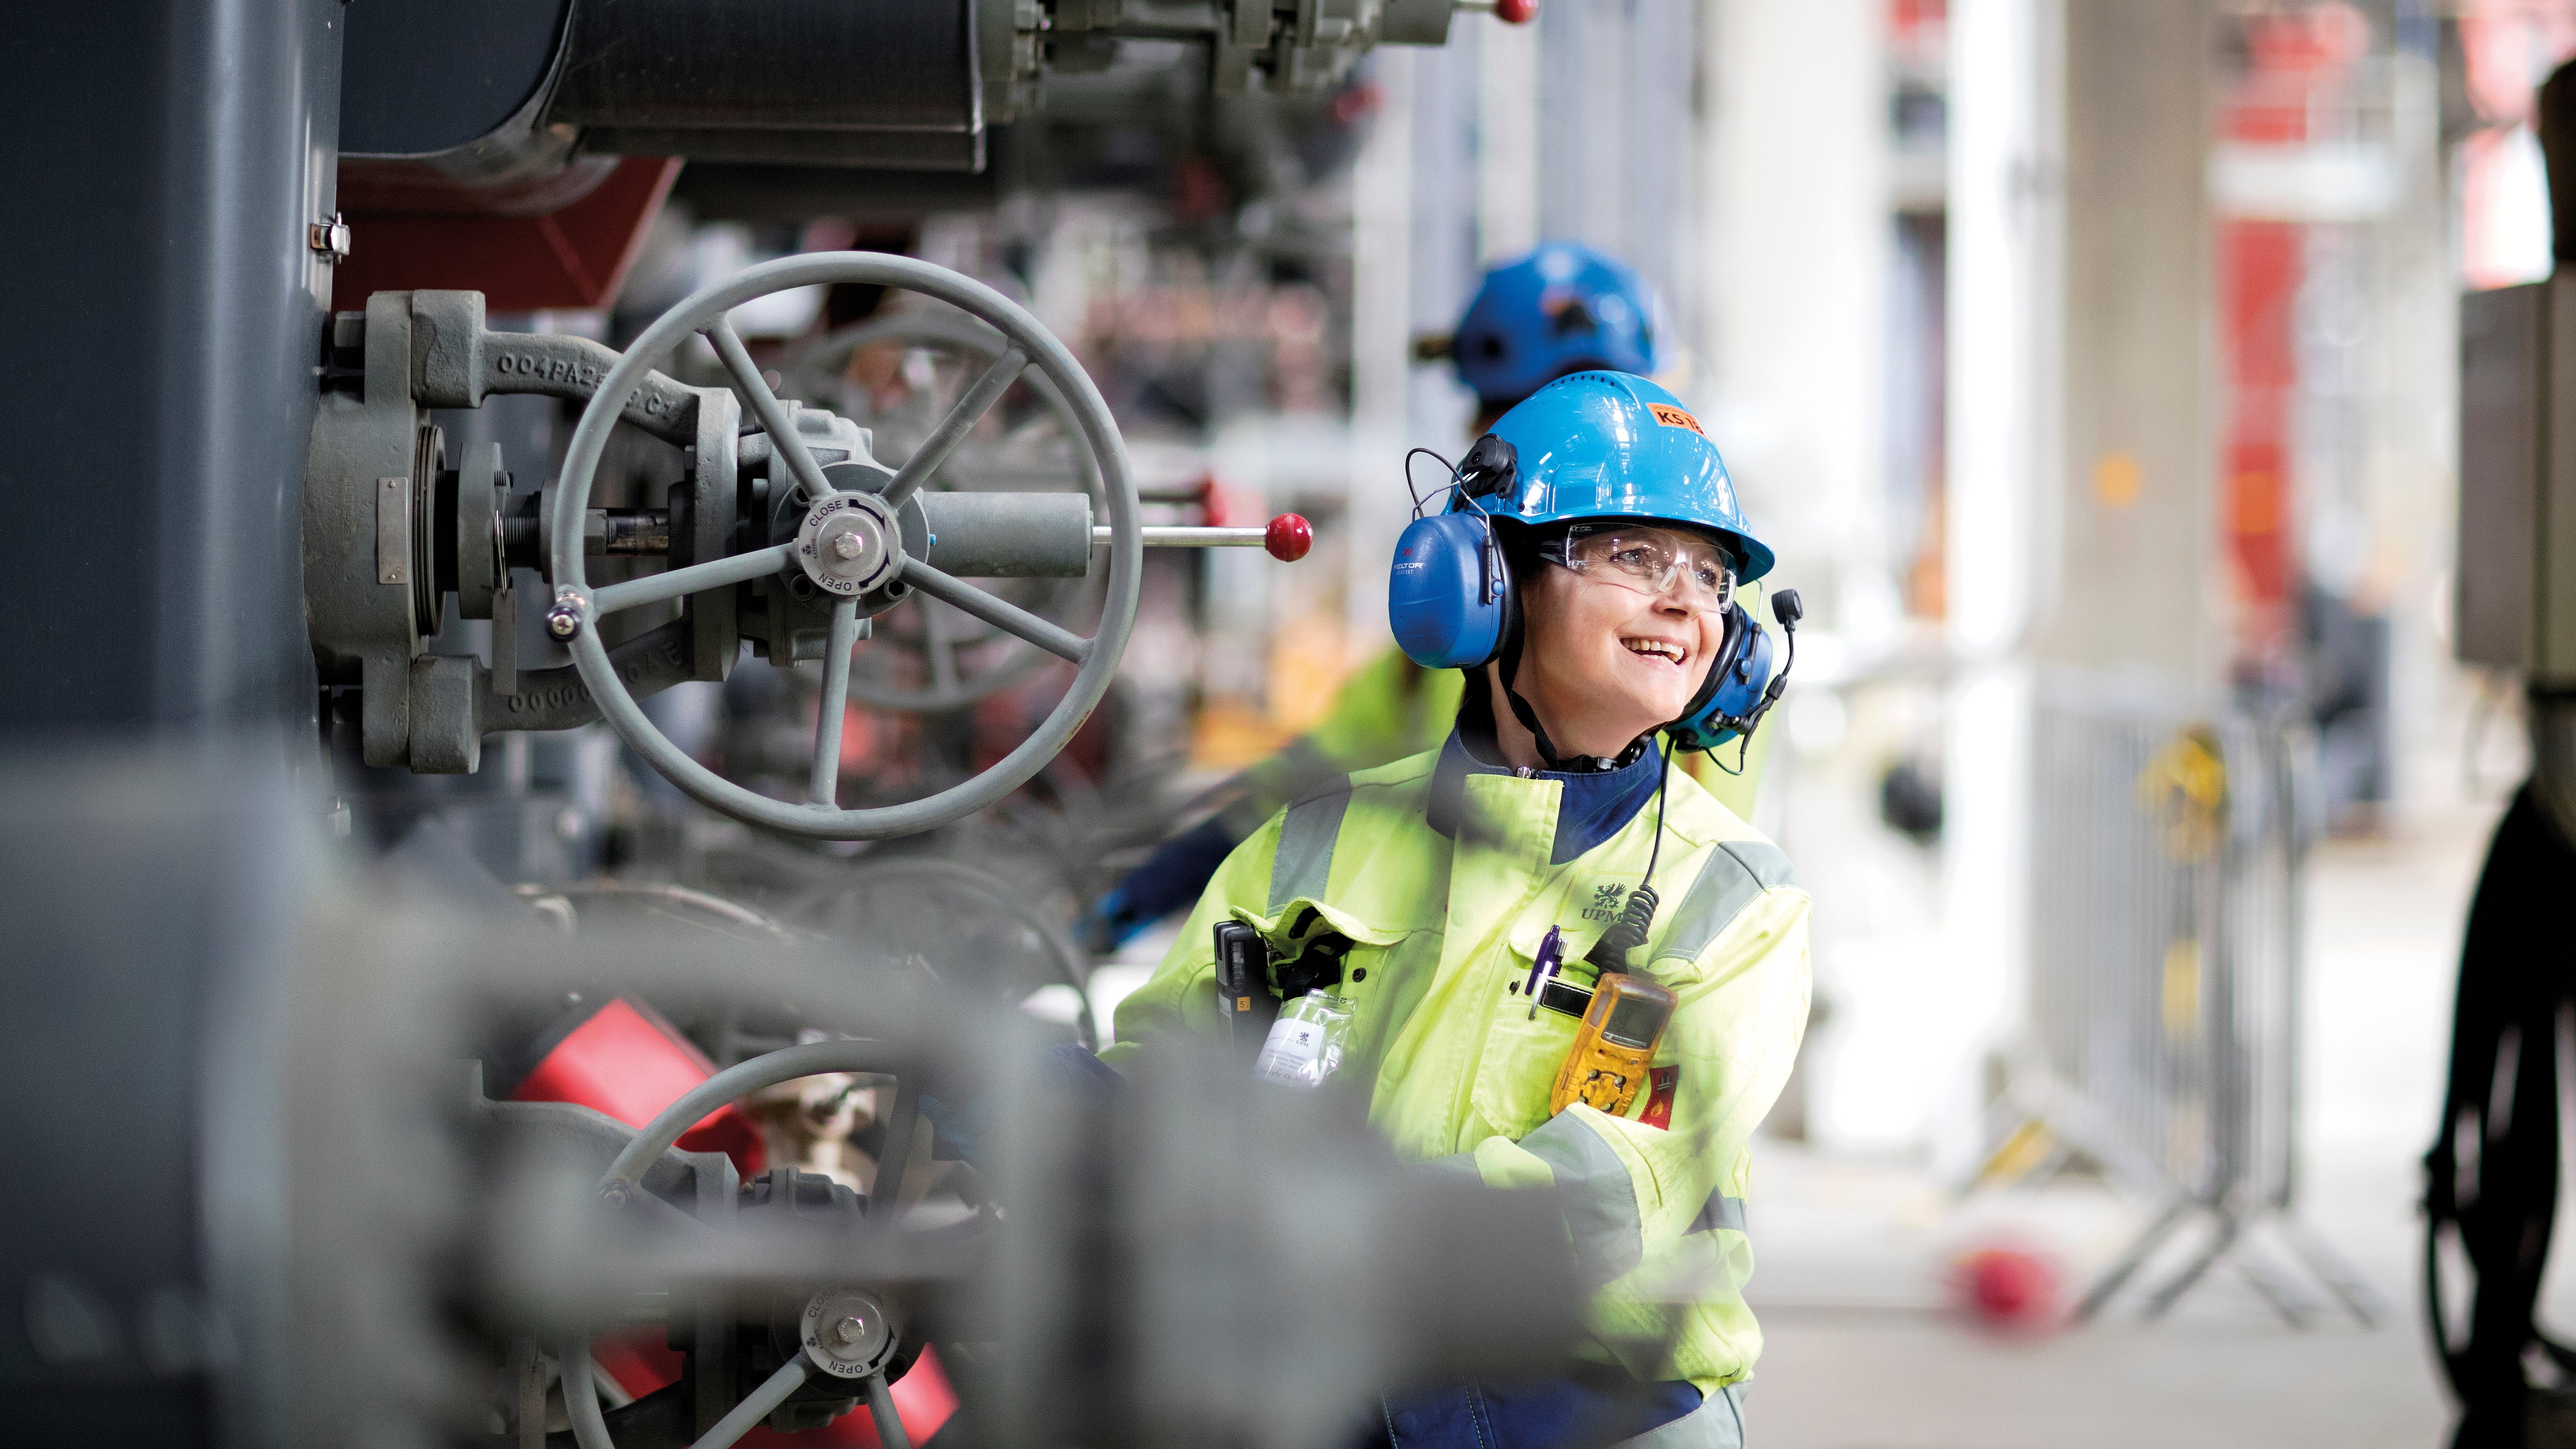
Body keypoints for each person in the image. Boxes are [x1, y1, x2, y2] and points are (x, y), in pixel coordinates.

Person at [1103, 372, 1811, 1448]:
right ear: (1486, 580)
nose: (1685, 601)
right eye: (1634, 555)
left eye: (1712, 578)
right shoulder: (1313, 841)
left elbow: (1601, 1199)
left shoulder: (1735, 904)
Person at [1089, 242, 1765, 950]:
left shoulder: (1690, 648)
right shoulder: (1437, 655)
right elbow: (1292, 785)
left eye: (1703, 572)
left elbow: (1700, 885)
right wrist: (1142, 892)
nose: (1682, 599)